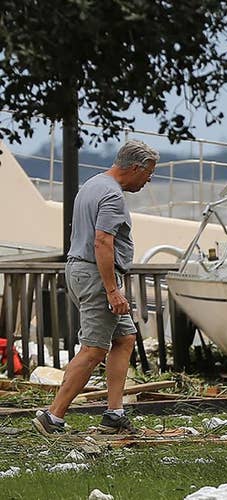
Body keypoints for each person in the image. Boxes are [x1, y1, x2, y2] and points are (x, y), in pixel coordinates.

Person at [33, 140, 158, 435]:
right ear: (136, 168)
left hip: (80, 270)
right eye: (149, 173)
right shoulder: (112, 195)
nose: (149, 180)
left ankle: (114, 414)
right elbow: (102, 241)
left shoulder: (93, 185)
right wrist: (112, 290)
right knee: (93, 348)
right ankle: (52, 416)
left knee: (124, 338)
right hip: (96, 275)